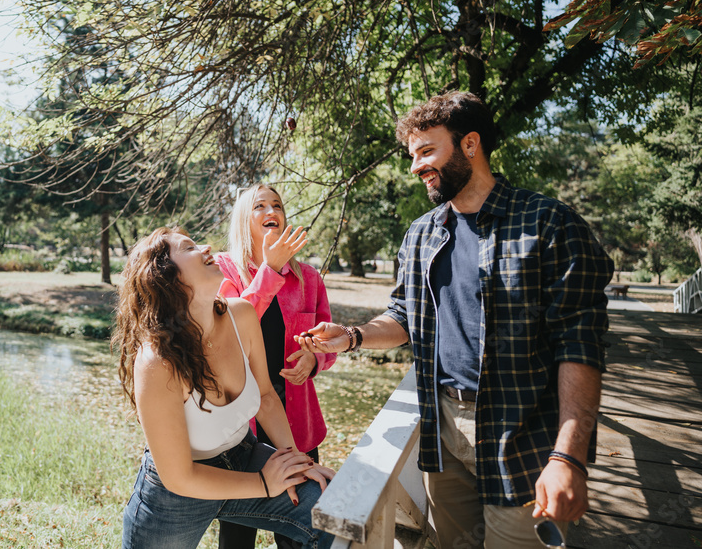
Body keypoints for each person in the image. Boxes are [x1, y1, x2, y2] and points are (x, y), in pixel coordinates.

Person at [296, 92, 612, 549]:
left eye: (427, 151)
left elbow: (578, 347)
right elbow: (406, 315)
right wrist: (350, 336)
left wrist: (569, 456)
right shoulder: (422, 232)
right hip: (442, 434)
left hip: (525, 438)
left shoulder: (549, 224)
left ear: (470, 144)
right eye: (412, 155)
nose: (415, 166)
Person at [114, 226, 336, 549]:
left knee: (329, 512)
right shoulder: (156, 362)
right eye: (189, 247)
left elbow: (266, 397)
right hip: (175, 497)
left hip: (242, 455)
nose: (206, 248)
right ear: (165, 276)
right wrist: (263, 483)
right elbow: (180, 477)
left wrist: (296, 461)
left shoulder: (242, 316)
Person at [214, 184, 337, 549]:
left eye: (278, 205)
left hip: (296, 425)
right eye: (260, 206)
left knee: (299, 529)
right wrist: (268, 269)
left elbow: (328, 340)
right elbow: (227, 331)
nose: (272, 210)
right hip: (242, 429)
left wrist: (315, 358)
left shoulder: (309, 279)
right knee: (237, 535)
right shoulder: (223, 270)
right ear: (243, 219)